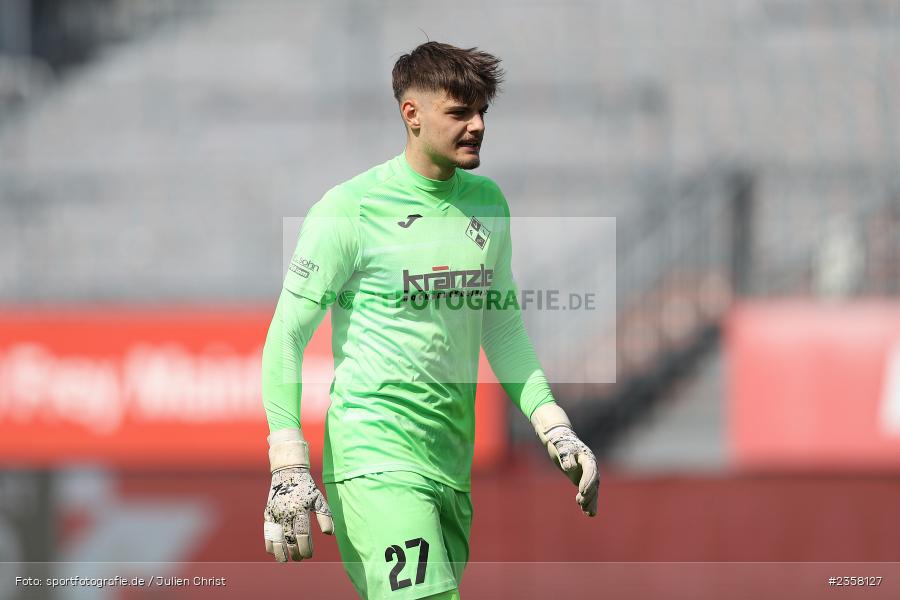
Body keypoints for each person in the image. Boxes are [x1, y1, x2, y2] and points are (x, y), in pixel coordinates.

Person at [261, 41, 599, 600]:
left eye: (483, 111)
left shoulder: (488, 203)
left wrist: (552, 424)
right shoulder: (349, 210)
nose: (478, 125)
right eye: (460, 112)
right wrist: (289, 464)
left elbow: (502, 325)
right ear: (411, 115)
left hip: (448, 466)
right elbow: (286, 334)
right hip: (375, 458)